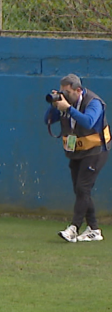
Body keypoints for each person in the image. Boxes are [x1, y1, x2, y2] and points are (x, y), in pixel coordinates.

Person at [46, 74, 110, 242]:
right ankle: (94, 229)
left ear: (78, 90)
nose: (65, 95)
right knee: (80, 190)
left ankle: (74, 228)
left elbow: (88, 122)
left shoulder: (93, 102)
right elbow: (47, 120)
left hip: (96, 150)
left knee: (83, 188)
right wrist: (54, 106)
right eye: (62, 92)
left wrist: (67, 108)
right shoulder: (66, 104)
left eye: (67, 92)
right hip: (77, 151)